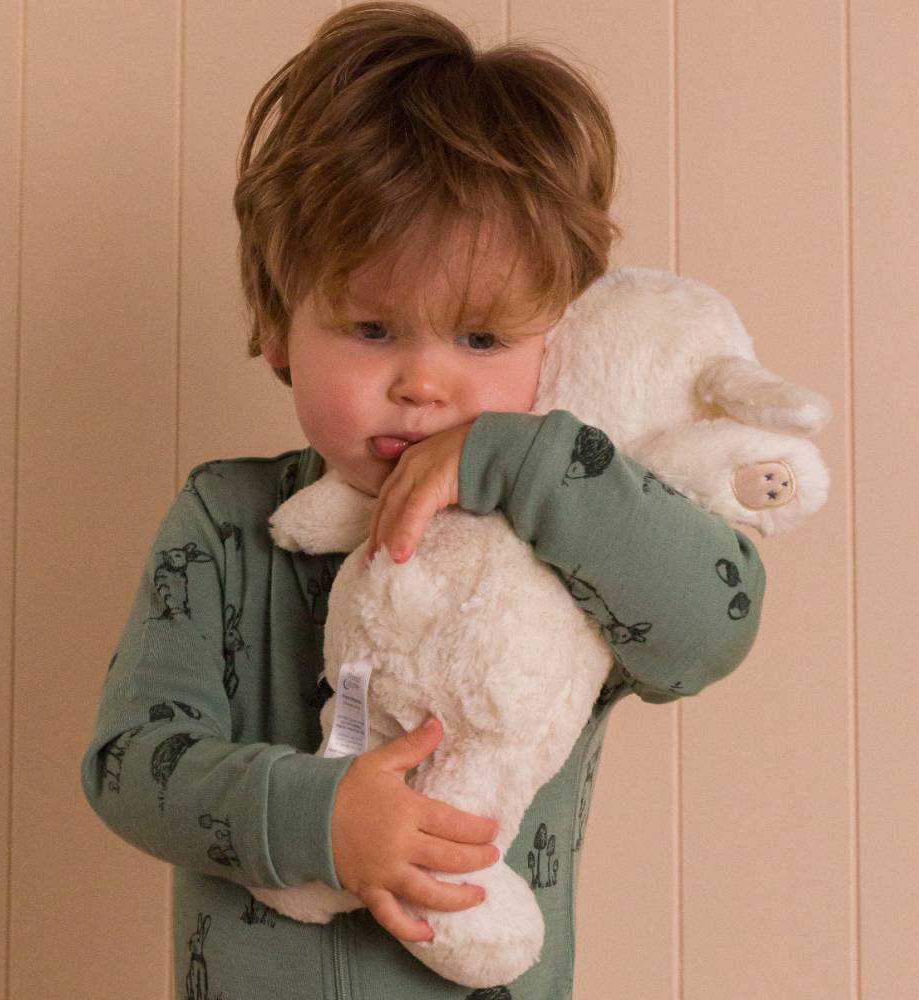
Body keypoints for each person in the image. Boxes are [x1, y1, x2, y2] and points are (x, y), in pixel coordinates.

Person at [80, 3, 767, 998]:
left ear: (559, 340)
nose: (423, 382)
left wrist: (518, 464)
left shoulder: (567, 528)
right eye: (370, 326)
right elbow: (127, 763)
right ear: (277, 321)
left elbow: (714, 627)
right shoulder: (226, 521)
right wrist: (319, 818)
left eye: (481, 339)